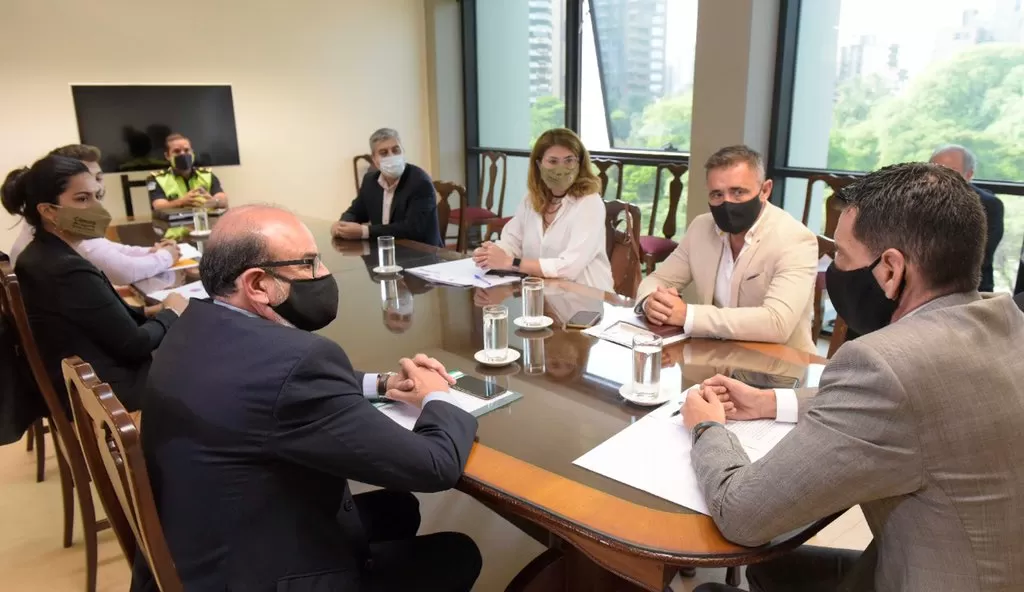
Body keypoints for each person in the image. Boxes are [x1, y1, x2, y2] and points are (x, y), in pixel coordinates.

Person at [686, 163, 1024, 592]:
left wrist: (706, 427)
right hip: (978, 566)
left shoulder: (885, 365)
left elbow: (742, 515)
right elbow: (918, 402)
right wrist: (771, 402)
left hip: (923, 575)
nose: (833, 271)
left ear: (890, 270)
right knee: (777, 569)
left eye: (841, 255)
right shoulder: (1006, 320)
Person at [132, 205, 481, 592]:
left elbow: (272, 384)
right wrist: (439, 398)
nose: (323, 275)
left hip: (206, 547)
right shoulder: (298, 362)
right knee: (457, 553)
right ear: (258, 284)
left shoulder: (194, 325)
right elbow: (434, 467)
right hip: (255, 575)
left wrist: (381, 384)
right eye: (309, 264)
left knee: (399, 507)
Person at [2, 156, 186, 411]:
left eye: (96, 196)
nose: (97, 208)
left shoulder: (41, 254)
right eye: (82, 199)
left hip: (83, 380)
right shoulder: (65, 268)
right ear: (48, 211)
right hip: (111, 390)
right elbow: (134, 344)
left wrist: (150, 311)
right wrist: (172, 312)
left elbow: (97, 319)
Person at [635, 145, 818, 354]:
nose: (727, 203)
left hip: (777, 368)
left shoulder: (795, 239)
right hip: (713, 358)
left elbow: (776, 323)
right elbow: (658, 280)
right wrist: (651, 302)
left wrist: (688, 315)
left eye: (738, 192)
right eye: (717, 194)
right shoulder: (701, 228)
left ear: (765, 190)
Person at [8, 144, 181, 282]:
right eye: (83, 194)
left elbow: (107, 248)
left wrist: (151, 252)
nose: (97, 187)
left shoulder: (49, 223)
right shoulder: (61, 229)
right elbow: (123, 271)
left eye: (99, 177)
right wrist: (166, 256)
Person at [473, 128, 613, 291]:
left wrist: (511, 262)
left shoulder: (590, 202)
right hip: (542, 294)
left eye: (569, 160)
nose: (561, 169)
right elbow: (511, 242)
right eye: (553, 161)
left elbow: (569, 268)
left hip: (586, 298)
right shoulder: (531, 200)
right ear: (539, 164)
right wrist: (490, 253)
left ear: (580, 163)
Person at [332, 128, 443, 247]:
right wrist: (342, 225)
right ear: (374, 159)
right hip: (386, 253)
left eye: (396, 150)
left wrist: (365, 231)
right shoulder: (370, 181)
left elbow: (412, 229)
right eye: (384, 153)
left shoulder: (420, 182)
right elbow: (355, 211)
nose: (391, 156)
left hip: (423, 255)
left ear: (403, 151)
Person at [929, 144, 1004, 292]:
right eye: (935, 170)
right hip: (923, 286)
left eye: (950, 171)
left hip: (970, 288)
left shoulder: (989, 205)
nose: (940, 177)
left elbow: (980, 256)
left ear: (968, 175)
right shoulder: (915, 199)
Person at [147, 133, 229, 211]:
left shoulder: (207, 175)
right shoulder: (157, 179)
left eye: (186, 150)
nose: (183, 154)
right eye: (177, 151)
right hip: (175, 225)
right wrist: (181, 202)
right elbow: (159, 207)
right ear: (167, 156)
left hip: (206, 223)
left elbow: (223, 199)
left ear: (192, 152)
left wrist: (214, 202)